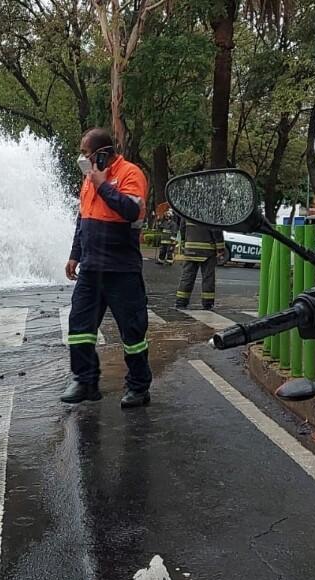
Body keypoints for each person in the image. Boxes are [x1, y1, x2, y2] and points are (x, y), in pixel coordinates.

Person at [62, 128, 153, 408]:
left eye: (87, 153)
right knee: (79, 326)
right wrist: (75, 254)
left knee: (132, 331)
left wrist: (103, 185)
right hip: (91, 268)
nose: (83, 158)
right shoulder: (90, 179)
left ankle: (138, 387)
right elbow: (83, 218)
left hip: (121, 268)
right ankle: (85, 381)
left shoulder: (130, 174)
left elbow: (131, 211)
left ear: (102, 154)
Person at [174, 214, 225, 310]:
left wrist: (185, 243)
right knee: (208, 278)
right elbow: (216, 231)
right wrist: (220, 248)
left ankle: (181, 302)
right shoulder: (211, 213)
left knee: (187, 277)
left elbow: (182, 229)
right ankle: (207, 303)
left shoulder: (187, 213)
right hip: (207, 251)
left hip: (190, 250)